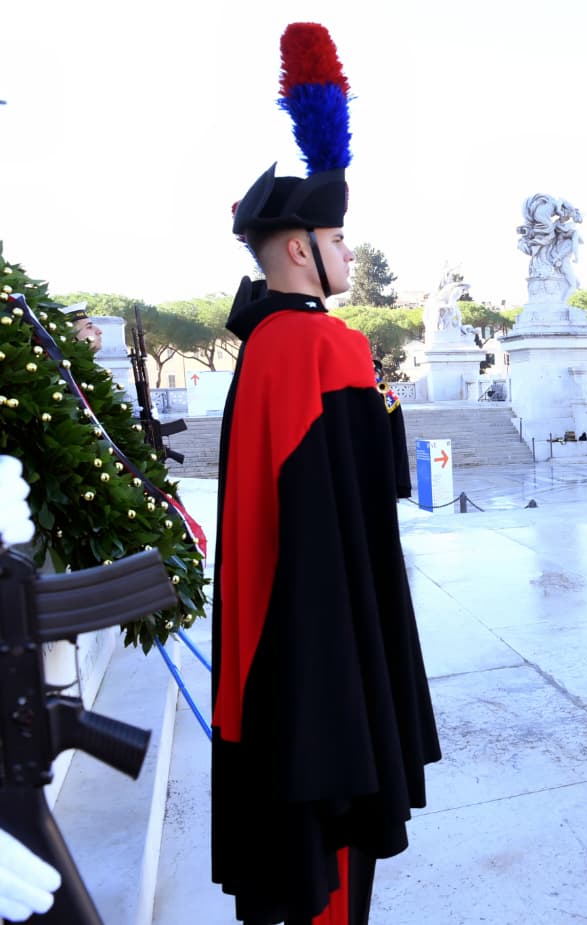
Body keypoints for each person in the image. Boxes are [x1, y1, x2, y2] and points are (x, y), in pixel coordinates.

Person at [212, 23, 441, 925]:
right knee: (336, 871)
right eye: (339, 239)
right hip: (324, 657)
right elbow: (374, 496)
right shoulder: (322, 345)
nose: (349, 255)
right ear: (301, 248)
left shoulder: (265, 343)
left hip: (274, 652)